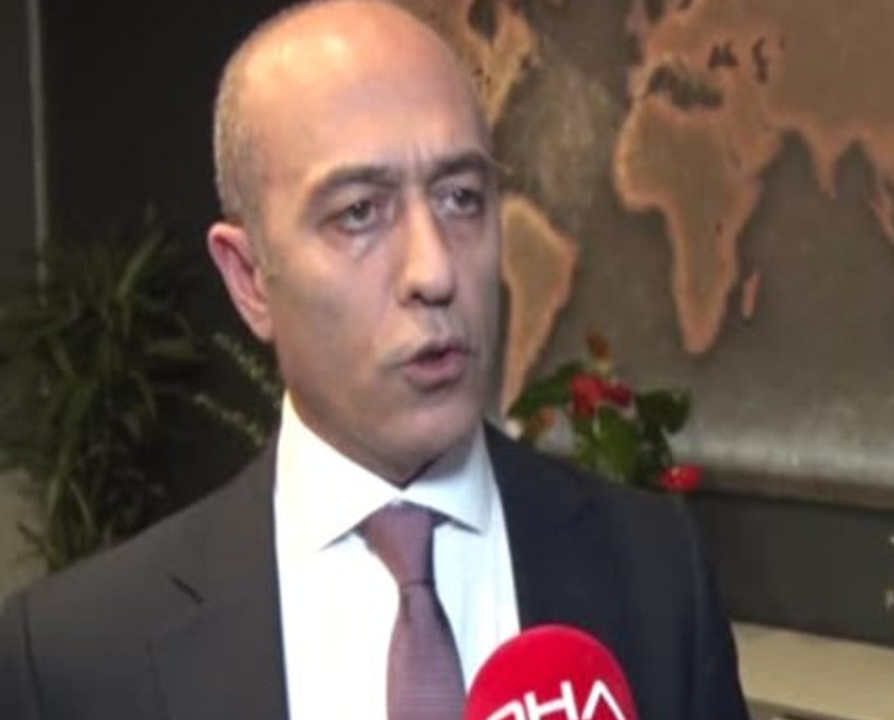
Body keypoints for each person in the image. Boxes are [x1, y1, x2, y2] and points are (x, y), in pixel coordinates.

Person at [0, 1, 751, 718]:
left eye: (462, 198)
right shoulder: (75, 656)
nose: (435, 270)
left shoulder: (659, 575)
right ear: (250, 278)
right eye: (359, 212)